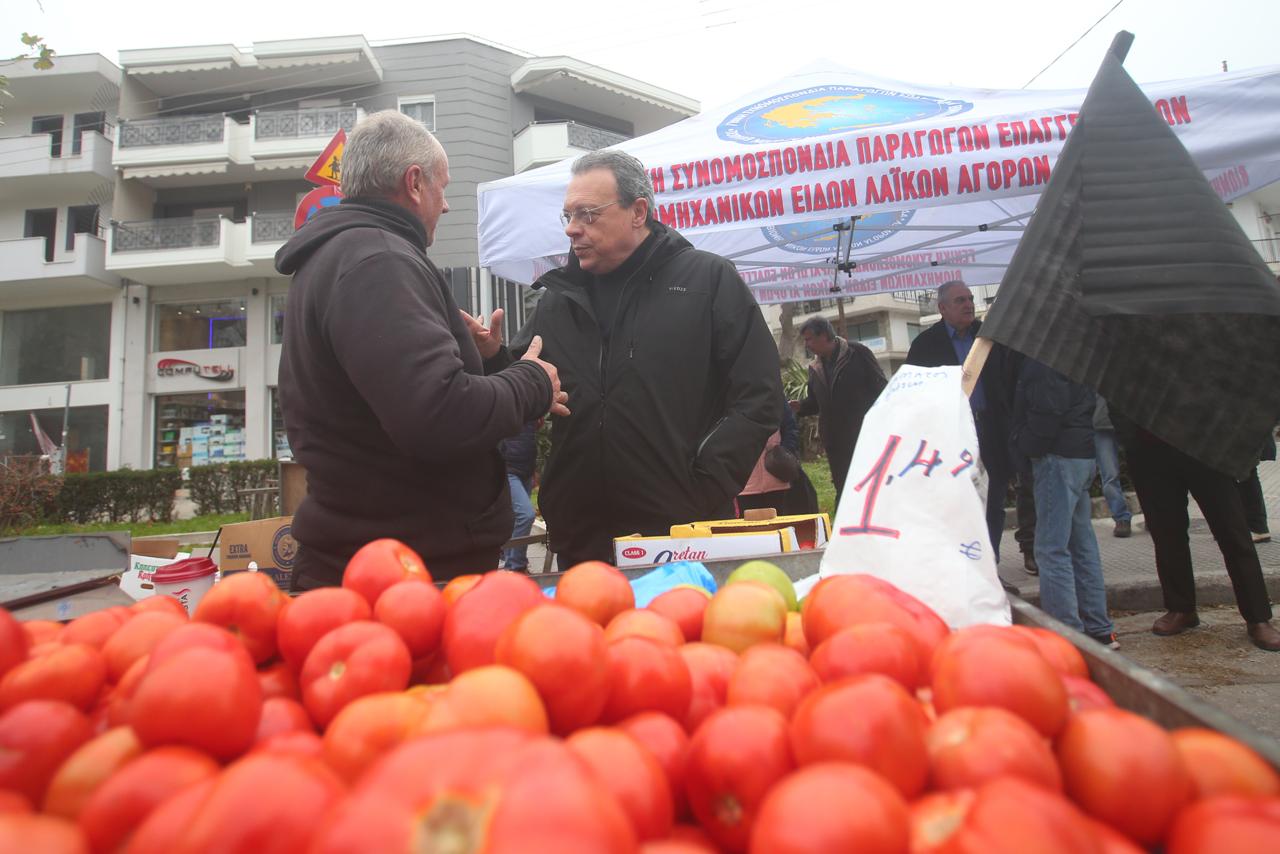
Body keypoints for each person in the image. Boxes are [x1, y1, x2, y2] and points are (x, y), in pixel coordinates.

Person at [275, 111, 567, 589]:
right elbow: (439, 415)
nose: (446, 205)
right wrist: (531, 381)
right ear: (413, 183)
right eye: (443, 187)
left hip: (382, 561)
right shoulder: (380, 262)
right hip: (400, 577)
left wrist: (487, 359)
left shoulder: (349, 255)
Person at [498, 150, 782, 569]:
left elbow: (759, 396)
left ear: (638, 212)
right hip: (581, 538)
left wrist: (703, 482)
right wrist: (491, 357)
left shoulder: (707, 281)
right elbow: (524, 379)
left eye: (588, 214)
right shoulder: (558, 299)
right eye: (568, 216)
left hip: (682, 535)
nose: (573, 230)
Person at [1117, 416, 1280, 651]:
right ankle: (1181, 608)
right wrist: (1129, 438)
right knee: (1166, 535)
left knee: (1233, 533)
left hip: (1204, 444)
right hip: (1149, 447)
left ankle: (1258, 618)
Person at [1012, 358, 1118, 648]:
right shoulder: (1071, 353)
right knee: (1082, 546)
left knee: (1050, 549)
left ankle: (1067, 637)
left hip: (1056, 457)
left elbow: (1047, 413)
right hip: (1080, 452)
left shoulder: (1043, 360)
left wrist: (1024, 443)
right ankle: (1098, 628)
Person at [905, 280, 1015, 559]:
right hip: (950, 437)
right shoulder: (925, 346)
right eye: (960, 300)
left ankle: (991, 566)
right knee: (958, 503)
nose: (968, 304)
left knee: (993, 502)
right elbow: (915, 398)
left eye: (969, 298)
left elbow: (1008, 383)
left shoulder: (989, 338)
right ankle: (962, 566)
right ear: (942, 308)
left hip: (991, 431)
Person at [789, 316, 887, 508]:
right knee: (844, 490)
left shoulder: (857, 353)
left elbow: (881, 388)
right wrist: (800, 406)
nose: (807, 345)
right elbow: (816, 402)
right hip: (836, 443)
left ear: (825, 335)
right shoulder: (815, 367)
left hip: (863, 437)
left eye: (809, 339)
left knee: (870, 489)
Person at [739, 399, 819, 518]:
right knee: (749, 528)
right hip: (744, 482)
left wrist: (784, 453)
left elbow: (790, 429)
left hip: (777, 475)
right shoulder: (731, 398)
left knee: (780, 525)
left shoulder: (775, 396)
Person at [500, 419, 541, 571]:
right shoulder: (506, 403)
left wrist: (533, 470)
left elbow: (530, 440)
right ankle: (515, 566)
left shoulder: (532, 408)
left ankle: (512, 561)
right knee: (526, 515)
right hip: (508, 470)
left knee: (516, 518)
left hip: (526, 470)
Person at [1093, 396, 1133, 538]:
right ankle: (1121, 518)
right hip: (1101, 425)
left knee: (1144, 473)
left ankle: (1153, 514)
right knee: (1109, 475)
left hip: (1129, 421)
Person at [1237, 431, 1276, 545]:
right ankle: (1257, 526)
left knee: (1245, 473)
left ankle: (1257, 527)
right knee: (1246, 473)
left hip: (1240, 432)